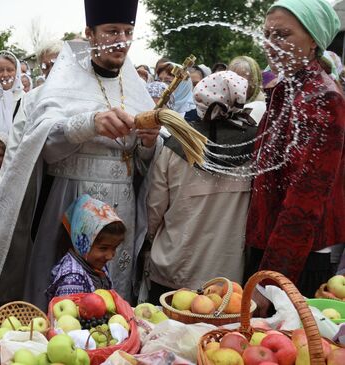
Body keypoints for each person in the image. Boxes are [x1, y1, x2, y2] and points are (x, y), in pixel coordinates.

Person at [0, 0, 161, 312]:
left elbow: (143, 162)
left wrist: (147, 143)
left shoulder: (134, 87)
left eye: (128, 32)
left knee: (113, 298)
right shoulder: (64, 81)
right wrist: (89, 123)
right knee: (66, 300)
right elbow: (42, 143)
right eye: (112, 31)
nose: (122, 41)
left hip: (122, 204)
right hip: (72, 198)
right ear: (89, 33)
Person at [246, 0, 344, 309]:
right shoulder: (288, 89)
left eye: (283, 35)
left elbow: (305, 202)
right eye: (267, 35)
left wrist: (270, 281)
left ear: (314, 39)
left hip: (298, 259)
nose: (271, 45)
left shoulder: (321, 98)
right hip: (272, 247)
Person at [146, 71, 257, 302]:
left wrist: (147, 242)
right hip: (227, 277)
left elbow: (154, 209)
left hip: (175, 268)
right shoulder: (256, 146)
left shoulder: (174, 146)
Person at [46, 195, 125, 302]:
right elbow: (69, 318)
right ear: (83, 243)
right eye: (103, 248)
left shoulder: (94, 264)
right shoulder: (73, 280)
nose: (110, 256)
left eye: (114, 248)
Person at [228, 56, 266, 124]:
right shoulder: (225, 100)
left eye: (240, 80)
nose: (234, 84)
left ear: (253, 81)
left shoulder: (263, 107)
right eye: (231, 79)